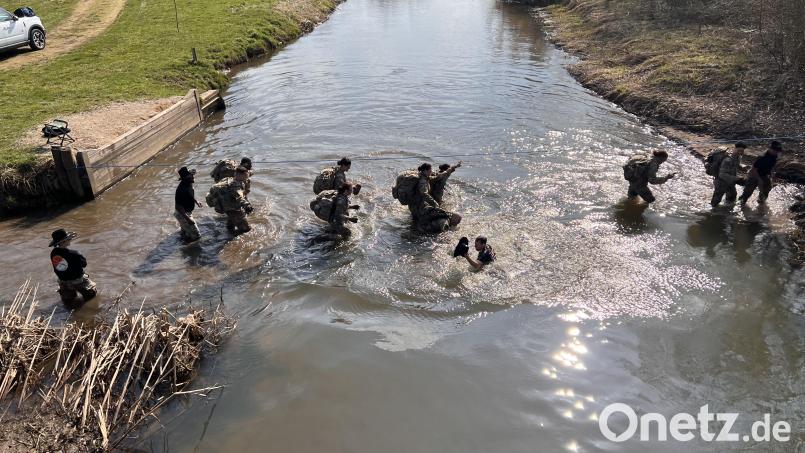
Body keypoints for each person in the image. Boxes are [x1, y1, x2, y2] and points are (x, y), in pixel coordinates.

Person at [49, 229, 97, 306]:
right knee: (91, 294)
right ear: (63, 242)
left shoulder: (53, 253)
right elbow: (84, 264)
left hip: (63, 281)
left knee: (68, 302)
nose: (70, 240)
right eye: (68, 239)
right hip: (78, 281)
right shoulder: (75, 254)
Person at [409, 163, 461, 233]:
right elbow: (424, 194)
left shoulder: (425, 177)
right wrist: (435, 204)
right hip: (420, 208)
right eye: (430, 170)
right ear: (425, 170)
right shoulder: (422, 182)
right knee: (455, 217)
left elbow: (439, 176)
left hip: (416, 207)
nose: (431, 171)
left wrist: (454, 167)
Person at [740, 141, 782, 205]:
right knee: (748, 192)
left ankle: (761, 201)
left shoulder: (775, 155)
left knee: (767, 188)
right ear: (770, 149)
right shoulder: (762, 157)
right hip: (754, 174)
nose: (776, 152)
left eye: (777, 151)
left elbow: (771, 167)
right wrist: (759, 180)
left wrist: (772, 176)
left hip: (764, 174)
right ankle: (742, 202)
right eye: (775, 150)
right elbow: (753, 170)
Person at [711, 143, 746, 207]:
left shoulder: (738, 158)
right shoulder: (727, 160)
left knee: (732, 197)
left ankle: (727, 212)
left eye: (742, 151)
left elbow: (735, 166)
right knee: (716, 201)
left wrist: (742, 167)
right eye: (739, 150)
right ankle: (712, 213)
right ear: (734, 149)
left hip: (730, 182)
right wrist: (737, 179)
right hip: (720, 182)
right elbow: (722, 174)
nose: (740, 152)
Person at [175, 167, 203, 243]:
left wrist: (196, 201)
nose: (193, 177)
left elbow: (190, 195)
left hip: (186, 212)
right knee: (197, 235)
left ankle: (183, 240)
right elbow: (178, 206)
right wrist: (188, 219)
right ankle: (189, 249)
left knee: (185, 232)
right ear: (185, 178)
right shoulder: (181, 190)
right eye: (191, 176)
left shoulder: (189, 183)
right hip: (182, 214)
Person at [224, 166, 254, 234]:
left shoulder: (230, 179)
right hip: (234, 208)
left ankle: (229, 234)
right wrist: (247, 206)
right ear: (240, 175)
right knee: (246, 229)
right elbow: (239, 197)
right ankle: (234, 241)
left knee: (230, 224)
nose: (247, 177)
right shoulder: (235, 185)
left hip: (228, 207)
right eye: (245, 175)